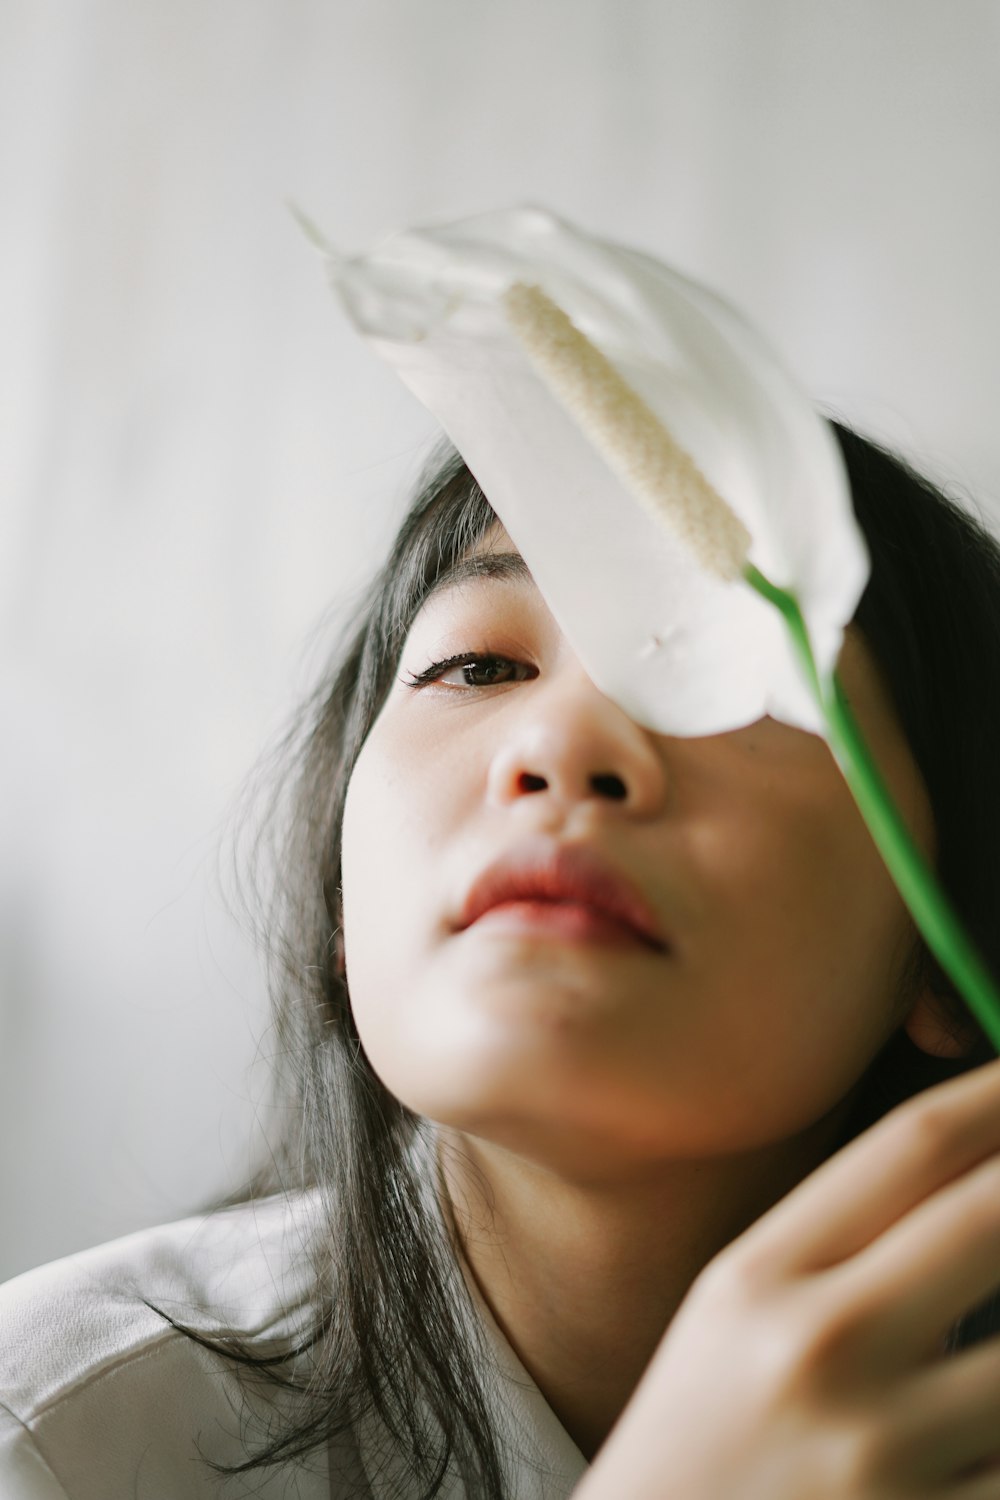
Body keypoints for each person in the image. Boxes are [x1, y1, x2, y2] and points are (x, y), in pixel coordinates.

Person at [3, 421, 1000, 1499]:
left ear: (947, 940)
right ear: (348, 909)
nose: (562, 742)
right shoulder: (59, 1437)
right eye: (478, 665)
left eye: (737, 687)